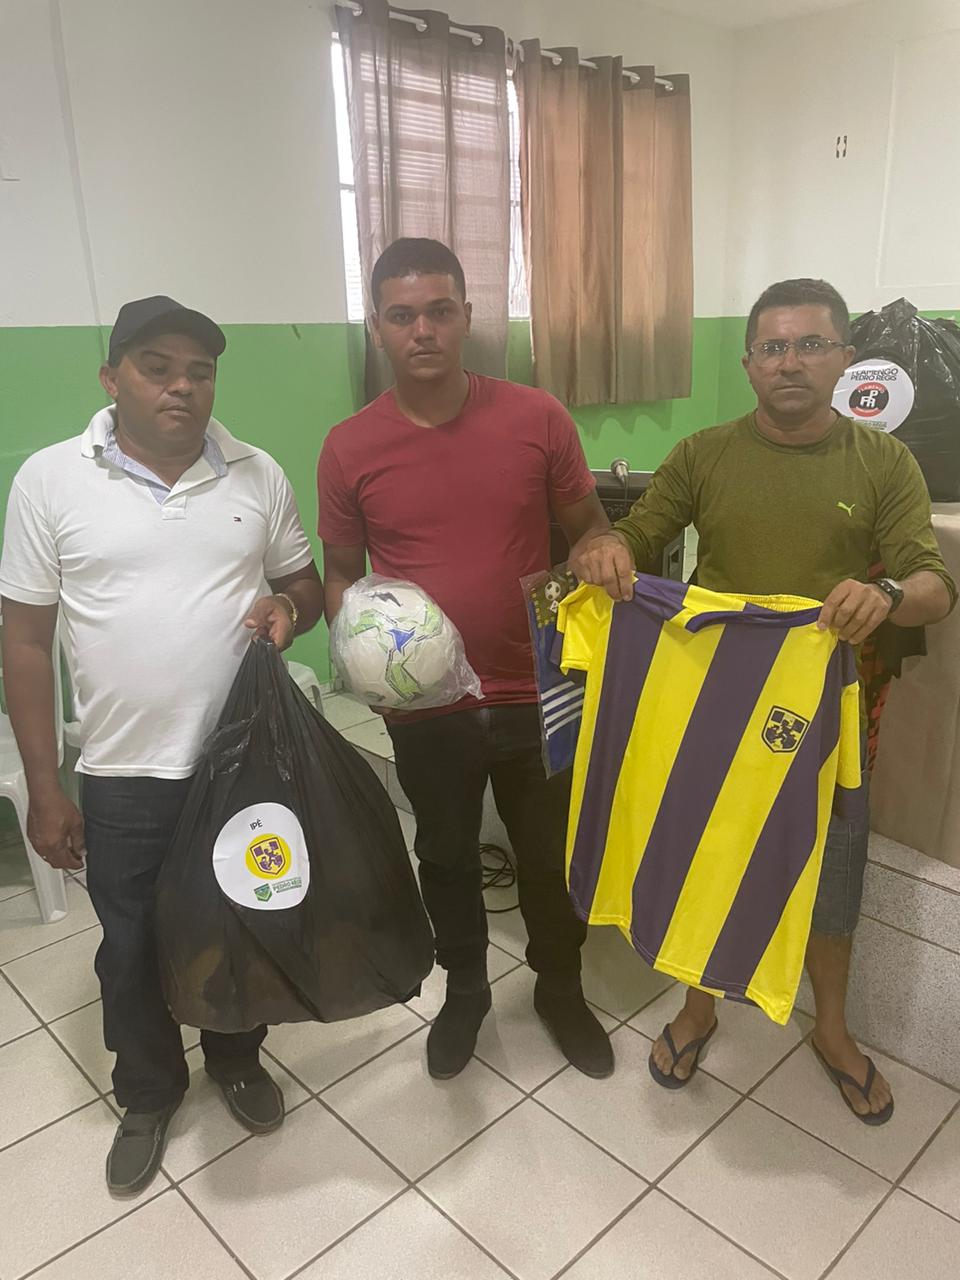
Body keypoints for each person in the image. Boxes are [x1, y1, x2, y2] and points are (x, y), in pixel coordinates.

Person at [570, 278, 956, 1124]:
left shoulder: (884, 462)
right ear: (748, 364)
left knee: (832, 875)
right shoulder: (704, 454)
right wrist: (606, 548)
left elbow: (935, 586)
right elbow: (634, 535)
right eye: (773, 347)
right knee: (705, 855)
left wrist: (886, 593)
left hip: (830, 717)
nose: (790, 363)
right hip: (712, 712)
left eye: (811, 345)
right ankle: (698, 1009)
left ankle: (832, 1030)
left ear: (845, 359)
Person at [0, 296, 325, 1194]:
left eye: (200, 371)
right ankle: (147, 1090)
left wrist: (288, 607)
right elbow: (24, 642)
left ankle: (237, 1057)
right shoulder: (51, 480)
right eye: (157, 367)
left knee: (245, 920)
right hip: (121, 773)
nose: (182, 386)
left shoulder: (256, 473)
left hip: (243, 764)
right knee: (133, 945)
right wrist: (44, 787)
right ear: (112, 378)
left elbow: (305, 585)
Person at [318, 238, 614, 1081]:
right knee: (446, 857)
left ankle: (561, 988)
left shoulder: (536, 417)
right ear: (377, 327)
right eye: (403, 315)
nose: (424, 330)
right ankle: (467, 993)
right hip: (425, 704)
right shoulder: (349, 446)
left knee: (548, 858)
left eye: (440, 311)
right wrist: (366, 661)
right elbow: (340, 576)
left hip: (536, 687)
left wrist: (603, 550)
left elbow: (590, 527)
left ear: (468, 318)